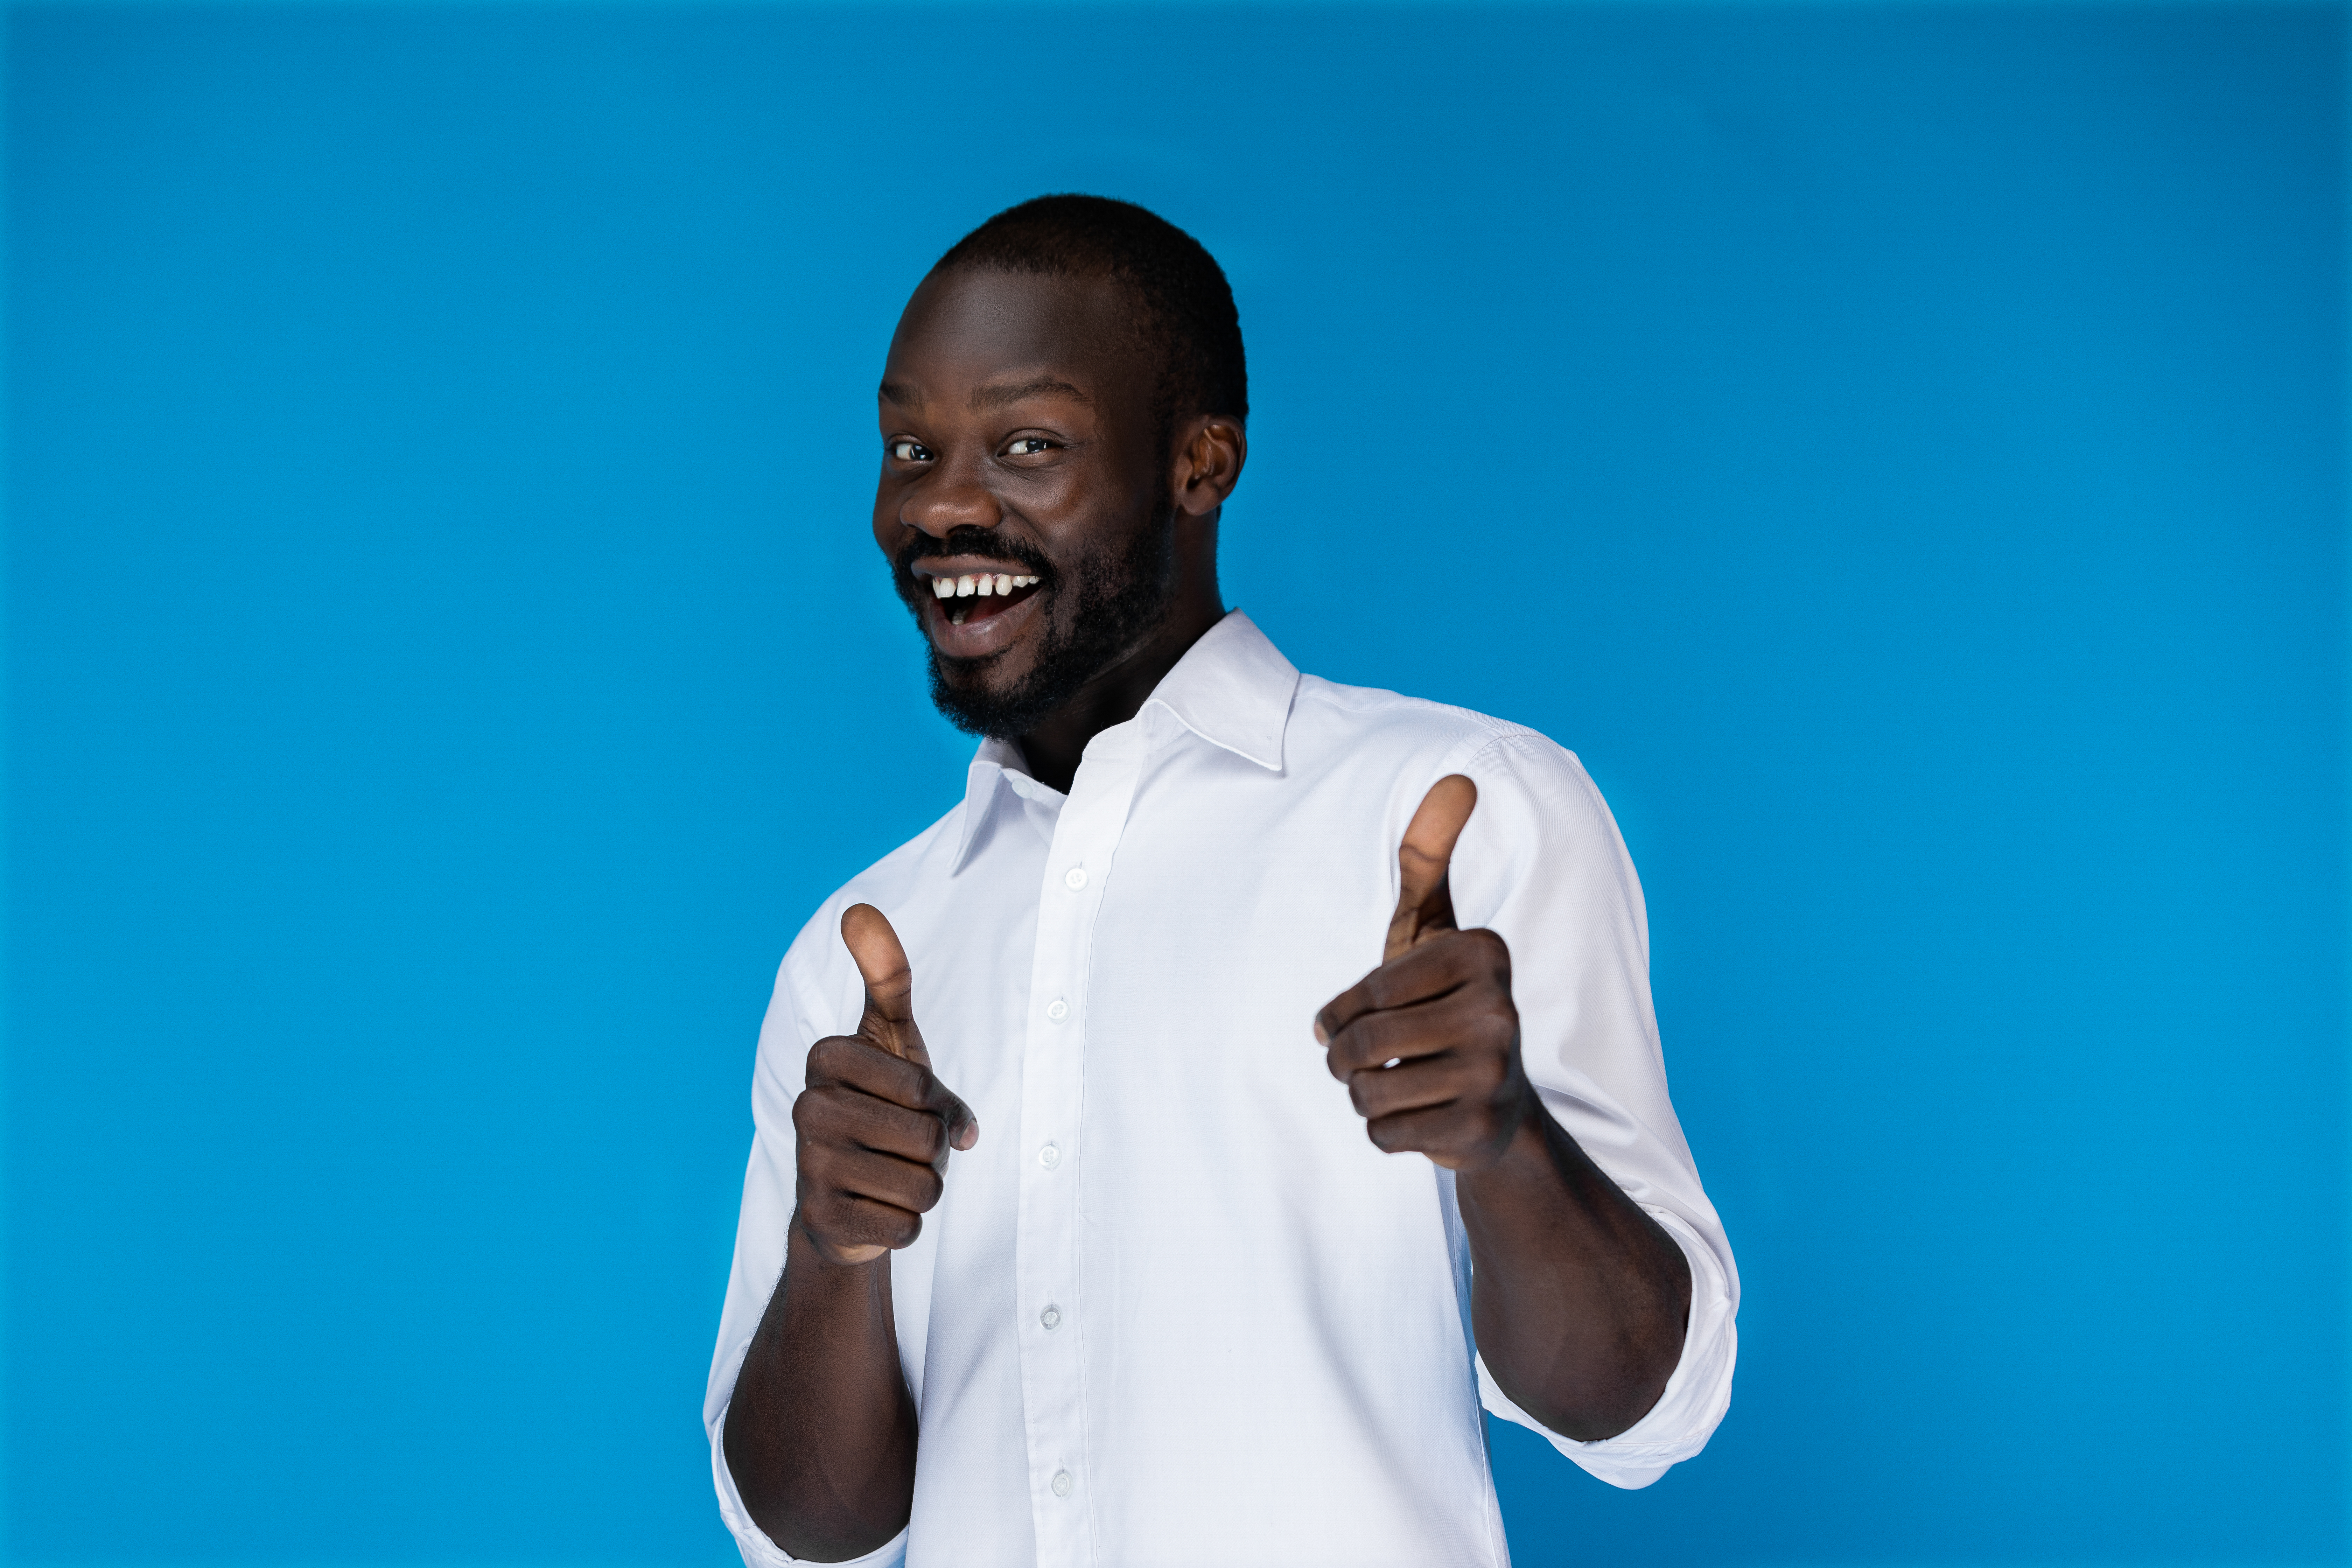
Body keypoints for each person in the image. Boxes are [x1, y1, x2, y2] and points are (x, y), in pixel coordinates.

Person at [705, 195, 1737, 1568]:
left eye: (1026, 442)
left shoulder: (1461, 811)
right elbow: (805, 1533)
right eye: (912, 446)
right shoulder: (859, 955)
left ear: (1202, 461)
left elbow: (1646, 1410)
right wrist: (833, 1251)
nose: (944, 502)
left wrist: (1506, 1142)